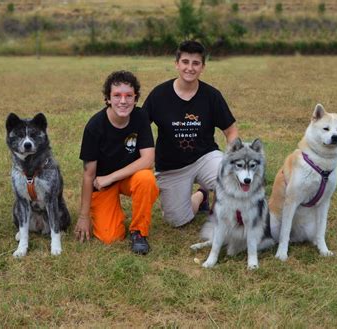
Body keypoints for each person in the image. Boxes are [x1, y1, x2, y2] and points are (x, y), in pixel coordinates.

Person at [142, 40, 238, 227]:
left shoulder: (211, 96)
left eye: (196, 63)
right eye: (185, 62)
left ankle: (218, 212)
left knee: (230, 176)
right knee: (176, 220)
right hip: (172, 167)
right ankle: (201, 195)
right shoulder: (159, 95)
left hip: (205, 158)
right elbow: (141, 126)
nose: (190, 68)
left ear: (203, 67)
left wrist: (232, 158)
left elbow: (231, 130)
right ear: (177, 64)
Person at [74, 70, 159, 254]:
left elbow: (148, 159)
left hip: (125, 177)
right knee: (110, 237)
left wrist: (111, 177)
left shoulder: (140, 116)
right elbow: (89, 175)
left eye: (129, 96)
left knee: (146, 179)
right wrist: (83, 215)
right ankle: (113, 211)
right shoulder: (94, 127)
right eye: (117, 95)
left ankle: (139, 232)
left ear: (135, 99)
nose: (123, 101)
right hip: (102, 184)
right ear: (107, 99)